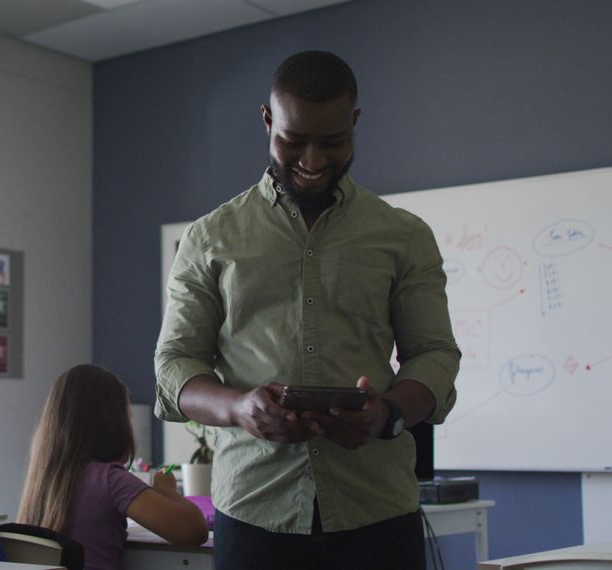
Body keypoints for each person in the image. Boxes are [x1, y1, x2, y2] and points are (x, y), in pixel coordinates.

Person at [154, 50, 461, 569]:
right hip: (255, 511)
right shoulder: (210, 238)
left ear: (355, 122)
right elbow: (175, 364)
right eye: (293, 141)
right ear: (267, 119)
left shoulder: (404, 236)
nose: (313, 161)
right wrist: (239, 409)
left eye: (333, 141)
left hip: (377, 511)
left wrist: (386, 414)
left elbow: (434, 355)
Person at [19, 364, 208, 570]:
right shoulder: (109, 479)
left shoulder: (43, 479)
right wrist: (167, 492)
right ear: (113, 423)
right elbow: (194, 532)